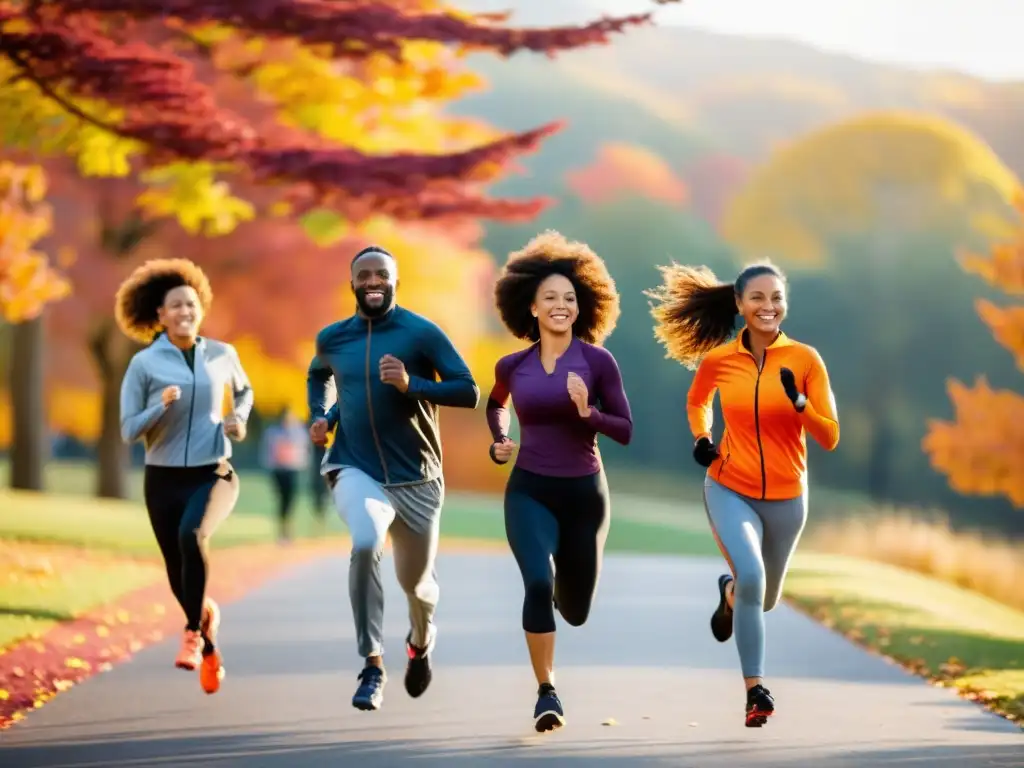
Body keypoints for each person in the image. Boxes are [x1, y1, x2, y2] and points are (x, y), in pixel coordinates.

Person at [646, 261, 840, 728]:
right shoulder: (719, 360)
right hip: (730, 486)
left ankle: (730, 594)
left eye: (776, 297)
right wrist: (701, 437)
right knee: (753, 575)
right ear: (739, 304)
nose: (768, 306)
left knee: (764, 597)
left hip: (789, 497)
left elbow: (831, 436)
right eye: (757, 297)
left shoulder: (806, 360)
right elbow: (697, 400)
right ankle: (757, 692)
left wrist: (801, 406)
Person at [307, 245, 480, 712]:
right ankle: (372, 663)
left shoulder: (420, 333)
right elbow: (317, 374)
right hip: (355, 466)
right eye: (364, 275)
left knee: (418, 586)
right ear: (353, 285)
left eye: (381, 274)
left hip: (419, 480)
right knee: (365, 542)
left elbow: (469, 390)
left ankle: (421, 641)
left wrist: (412, 386)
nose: (372, 282)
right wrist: (321, 415)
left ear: (395, 282)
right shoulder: (333, 338)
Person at [485, 230, 633, 733]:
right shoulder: (514, 365)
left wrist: (586, 411)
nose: (561, 306)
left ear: (583, 305)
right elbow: (495, 404)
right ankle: (547, 691)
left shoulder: (597, 363)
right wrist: (499, 441)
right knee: (536, 581)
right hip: (529, 488)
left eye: (569, 298)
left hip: (584, 495)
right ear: (530, 307)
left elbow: (626, 430)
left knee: (575, 609)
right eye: (550, 297)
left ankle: (560, 609)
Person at [116, 257, 254, 696]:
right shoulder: (144, 365)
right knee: (178, 575)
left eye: (191, 304)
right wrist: (161, 405)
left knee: (192, 536)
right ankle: (209, 642)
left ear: (201, 309)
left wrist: (239, 420)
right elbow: (127, 429)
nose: (185, 312)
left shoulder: (222, 354)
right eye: (175, 306)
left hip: (213, 471)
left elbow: (245, 391)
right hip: (162, 480)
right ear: (159, 315)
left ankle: (192, 633)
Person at [260, 406, 311, 543]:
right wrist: (270, 466)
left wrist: (303, 465)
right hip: (278, 470)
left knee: (291, 500)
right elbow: (268, 452)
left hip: (292, 470)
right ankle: (283, 531)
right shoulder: (273, 432)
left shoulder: (298, 432)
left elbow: (303, 451)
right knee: (282, 500)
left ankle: (288, 529)